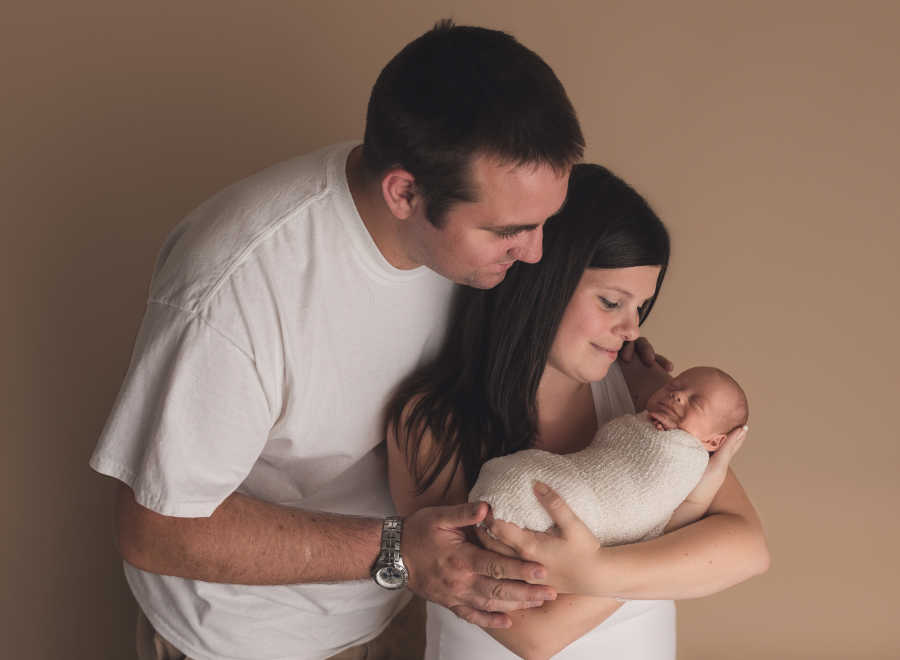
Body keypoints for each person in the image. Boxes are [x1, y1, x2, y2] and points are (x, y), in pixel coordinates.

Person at [89, 20, 594, 660]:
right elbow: (153, 527)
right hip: (246, 640)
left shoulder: (473, 240)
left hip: (404, 603)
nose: (535, 253)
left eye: (546, 221)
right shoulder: (238, 285)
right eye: (508, 231)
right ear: (405, 192)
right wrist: (395, 549)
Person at [385, 164, 770, 660]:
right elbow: (532, 635)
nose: (631, 329)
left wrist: (593, 571)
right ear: (542, 282)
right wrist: (669, 538)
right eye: (612, 302)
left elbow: (747, 549)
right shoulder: (431, 422)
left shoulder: (647, 401)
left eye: (641, 309)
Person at [468, 366, 750, 545]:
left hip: (597, 512)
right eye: (675, 387)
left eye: (696, 402)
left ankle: (511, 514)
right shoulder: (637, 419)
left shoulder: (693, 458)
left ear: (715, 440)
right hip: (573, 474)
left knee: (555, 496)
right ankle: (505, 505)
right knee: (528, 471)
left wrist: (720, 465)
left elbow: (692, 503)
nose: (677, 396)